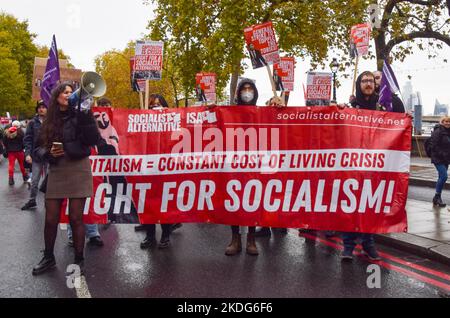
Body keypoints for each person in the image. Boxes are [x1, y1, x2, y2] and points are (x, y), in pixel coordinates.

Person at [32, 83, 100, 275]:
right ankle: (48, 257)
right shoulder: (49, 119)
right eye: (66, 92)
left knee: (76, 218)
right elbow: (37, 148)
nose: (69, 95)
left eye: (72, 92)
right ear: (57, 96)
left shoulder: (81, 114)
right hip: (57, 169)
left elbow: (92, 140)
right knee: (51, 217)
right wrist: (49, 153)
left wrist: (86, 114)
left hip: (78, 168)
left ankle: (79, 260)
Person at [342, 71, 382, 262]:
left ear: (375, 85)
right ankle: (348, 246)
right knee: (350, 207)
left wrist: (404, 120)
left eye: (370, 80)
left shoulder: (382, 108)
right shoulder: (350, 108)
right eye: (364, 80)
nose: (368, 83)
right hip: (352, 167)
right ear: (359, 85)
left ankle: (368, 243)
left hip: (374, 167)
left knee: (369, 207)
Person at [139, 94, 182, 249]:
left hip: (166, 169)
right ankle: (150, 236)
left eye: (159, 105)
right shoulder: (142, 123)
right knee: (148, 203)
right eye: (152, 106)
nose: (155, 108)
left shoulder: (174, 123)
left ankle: (165, 235)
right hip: (148, 169)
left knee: (165, 202)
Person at [22, 100, 48, 210]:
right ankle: (32, 200)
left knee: (49, 180)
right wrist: (27, 154)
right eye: (39, 107)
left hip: (49, 155)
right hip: (36, 155)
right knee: (35, 181)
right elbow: (27, 139)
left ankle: (49, 202)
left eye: (43, 107)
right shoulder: (32, 123)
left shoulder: (52, 121)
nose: (41, 109)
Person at [429, 116, 450, 207]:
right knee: (444, 176)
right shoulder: (438, 131)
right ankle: (437, 196)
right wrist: (442, 154)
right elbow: (434, 145)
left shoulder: (448, 132)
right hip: (438, 158)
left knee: (441, 177)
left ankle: (437, 198)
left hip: (446, 159)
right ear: (442, 122)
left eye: (449, 121)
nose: (448, 123)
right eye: (445, 121)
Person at [3, 120, 28, 185]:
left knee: (11, 165)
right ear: (19, 126)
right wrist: (22, 148)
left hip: (11, 152)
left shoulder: (7, 132)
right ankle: (25, 177)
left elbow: (4, 142)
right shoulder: (21, 133)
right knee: (22, 165)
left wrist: (8, 148)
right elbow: (24, 142)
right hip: (19, 151)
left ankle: (11, 180)